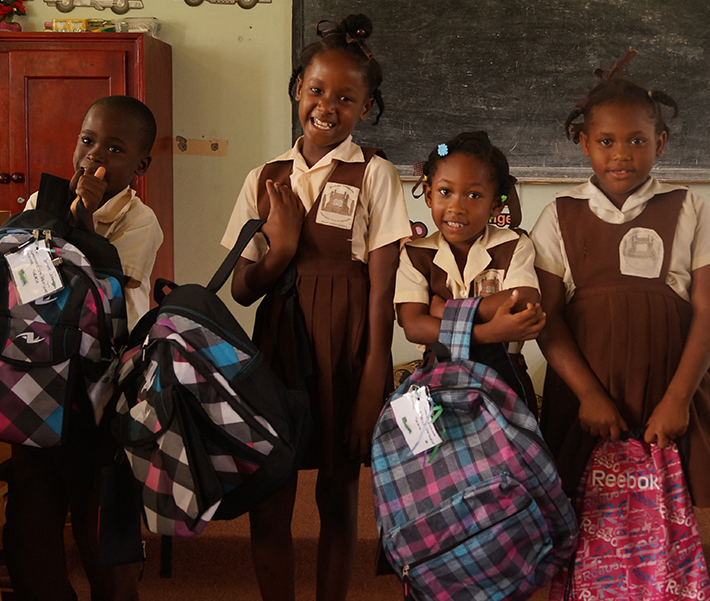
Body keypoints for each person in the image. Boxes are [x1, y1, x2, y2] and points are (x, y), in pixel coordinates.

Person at [219, 13, 409, 601]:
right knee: (270, 497)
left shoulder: (374, 173)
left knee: (335, 493)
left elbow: (382, 294)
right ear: (297, 87)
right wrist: (283, 247)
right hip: (276, 348)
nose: (328, 106)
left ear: (367, 108)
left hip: (345, 352)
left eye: (347, 98)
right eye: (318, 90)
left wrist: (371, 387)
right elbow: (244, 287)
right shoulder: (264, 176)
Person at [531, 63, 710, 509]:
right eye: (606, 141)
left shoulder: (693, 210)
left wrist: (678, 399)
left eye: (637, 141)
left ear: (660, 143)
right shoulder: (559, 215)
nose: (621, 154)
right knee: (583, 514)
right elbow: (548, 321)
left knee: (667, 510)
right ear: (585, 144)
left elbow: (708, 312)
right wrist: (588, 396)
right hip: (587, 396)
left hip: (669, 387)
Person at [9, 94, 162, 601]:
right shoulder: (39, 203)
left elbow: (102, 282)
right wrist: (62, 215)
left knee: (99, 520)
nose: (94, 158)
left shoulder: (142, 222)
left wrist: (86, 218)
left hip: (103, 387)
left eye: (114, 149)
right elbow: (25, 280)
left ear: (140, 166)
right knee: (31, 523)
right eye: (87, 141)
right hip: (38, 374)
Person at [395, 131, 545, 408]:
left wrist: (444, 311)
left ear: (496, 203)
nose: (457, 207)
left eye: (474, 195)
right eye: (445, 192)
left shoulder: (514, 245)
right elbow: (414, 326)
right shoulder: (416, 254)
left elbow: (523, 299)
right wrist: (487, 334)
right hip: (436, 380)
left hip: (504, 381)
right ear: (428, 195)